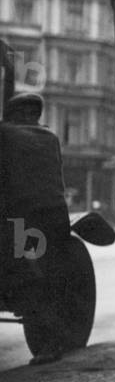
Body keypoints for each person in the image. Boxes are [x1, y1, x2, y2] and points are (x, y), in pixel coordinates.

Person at [0, 93, 71, 364]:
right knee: (50, 277)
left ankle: (48, 346)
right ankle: (56, 341)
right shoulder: (49, 138)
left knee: (31, 281)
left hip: (24, 220)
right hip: (55, 216)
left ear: (14, 115)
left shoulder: (6, 135)